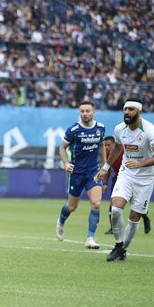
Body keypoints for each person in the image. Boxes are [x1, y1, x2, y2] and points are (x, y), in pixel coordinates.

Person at [95, 98, 154, 261]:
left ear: (139, 112)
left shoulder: (149, 130)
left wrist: (141, 163)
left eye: (131, 109)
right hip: (126, 174)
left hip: (146, 178)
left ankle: (123, 249)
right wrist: (105, 167)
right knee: (115, 210)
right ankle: (118, 245)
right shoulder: (120, 129)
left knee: (134, 218)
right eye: (125, 109)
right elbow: (118, 147)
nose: (127, 112)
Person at [56, 100, 106, 249]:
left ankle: (90, 238)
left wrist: (104, 165)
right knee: (72, 207)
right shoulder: (73, 130)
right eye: (82, 111)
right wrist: (65, 163)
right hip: (76, 173)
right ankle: (60, 221)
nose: (85, 113)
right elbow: (62, 147)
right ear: (79, 113)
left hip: (93, 172)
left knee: (96, 204)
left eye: (88, 111)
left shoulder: (100, 128)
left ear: (93, 112)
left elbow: (102, 145)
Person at [102, 136, 152, 235]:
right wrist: (105, 183)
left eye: (109, 145)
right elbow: (107, 169)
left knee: (135, 203)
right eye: (105, 145)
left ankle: (145, 217)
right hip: (118, 178)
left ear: (114, 144)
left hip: (132, 178)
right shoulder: (107, 155)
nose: (106, 147)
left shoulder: (123, 152)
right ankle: (113, 228)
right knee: (113, 203)